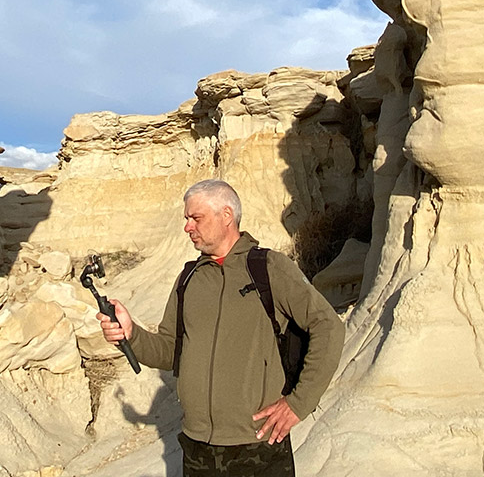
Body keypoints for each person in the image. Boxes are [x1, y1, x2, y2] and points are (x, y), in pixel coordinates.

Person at [98, 179, 344, 476]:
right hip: (197, 447)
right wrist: (131, 334)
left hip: (258, 446)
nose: (188, 227)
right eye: (187, 219)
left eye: (195, 218)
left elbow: (328, 327)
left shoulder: (269, 268)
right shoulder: (189, 280)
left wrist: (298, 404)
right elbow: (169, 351)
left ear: (226, 216)